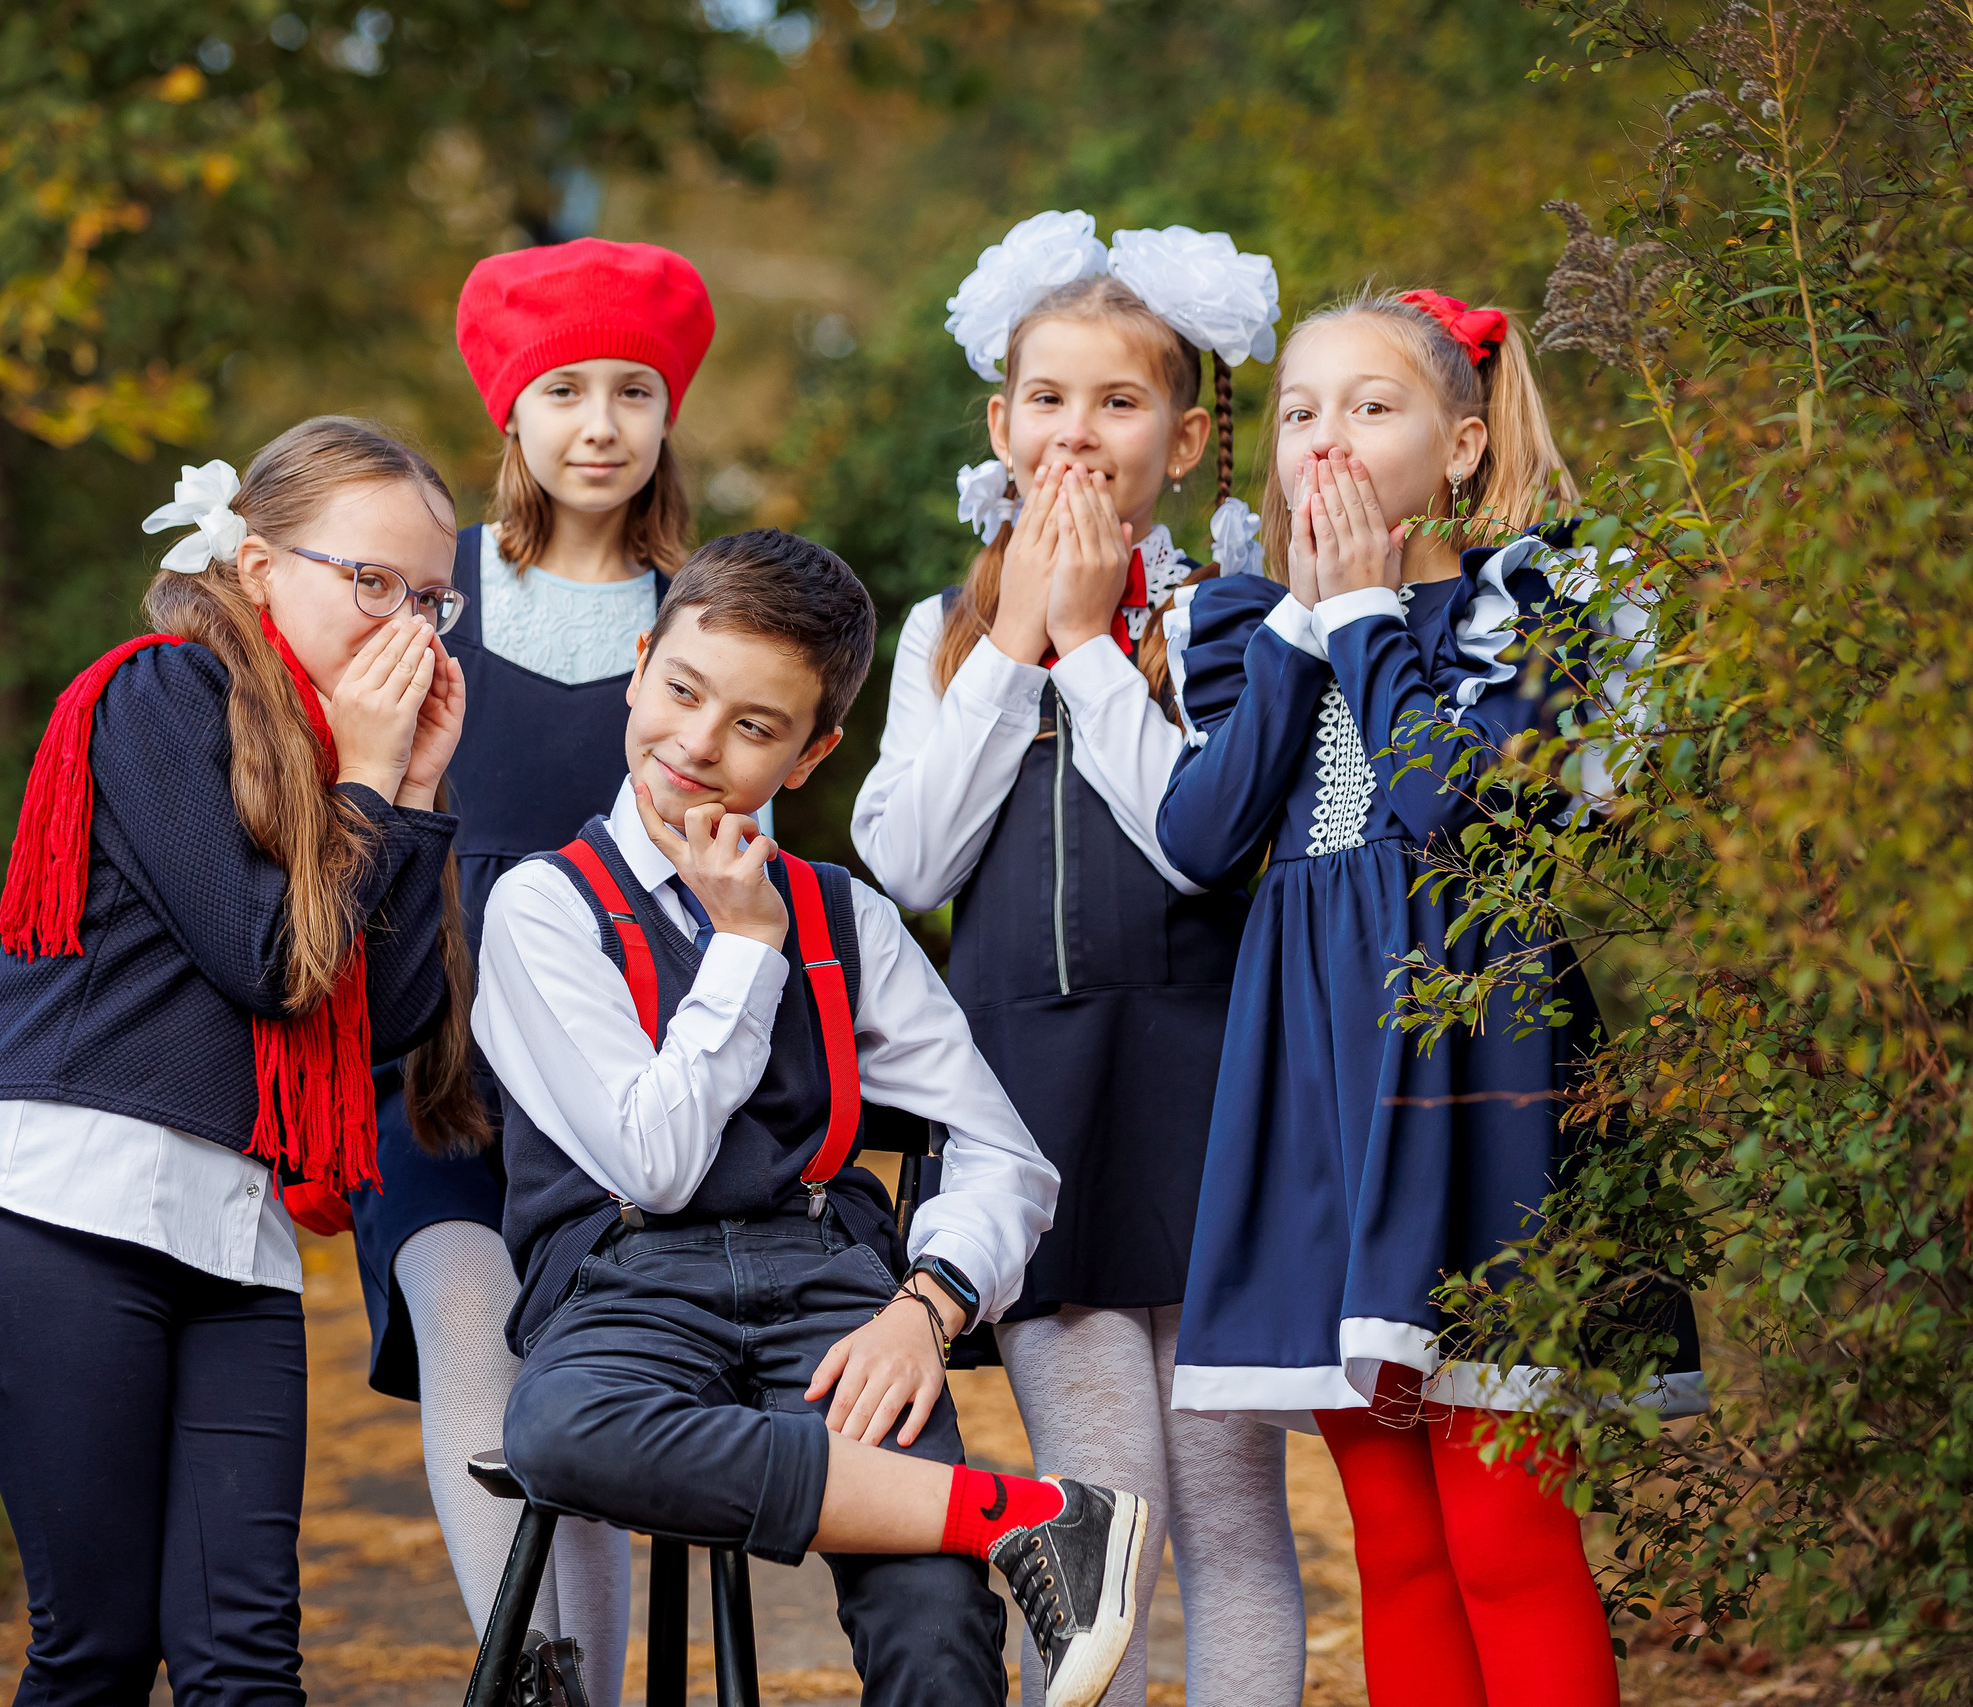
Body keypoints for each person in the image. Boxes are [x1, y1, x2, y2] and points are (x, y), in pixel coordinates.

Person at [477, 529, 1148, 1707]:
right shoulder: (544, 908)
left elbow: (1002, 1154)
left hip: (833, 1292)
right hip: (621, 1282)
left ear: (811, 754)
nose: (698, 743)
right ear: (637, 667)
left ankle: (965, 1529)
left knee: (935, 1617)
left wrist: (927, 1306)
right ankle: (1018, 1512)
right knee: (563, 1432)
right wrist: (744, 950)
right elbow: (655, 1163)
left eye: (754, 725)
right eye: (682, 691)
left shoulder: (848, 919)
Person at [1156, 289, 1706, 1707]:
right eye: (1299, 412)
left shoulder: (1528, 606)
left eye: (1369, 405)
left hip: (1477, 1086)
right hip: (1320, 1093)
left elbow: (1450, 812)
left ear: (1460, 448)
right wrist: (1305, 624)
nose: (1324, 438)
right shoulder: (1248, 627)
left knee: (1505, 1537)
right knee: (1396, 1546)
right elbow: (1202, 841)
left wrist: (1364, 613)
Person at [0, 416, 471, 1707]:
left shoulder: (341, 768)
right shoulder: (161, 694)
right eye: (372, 581)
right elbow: (266, 959)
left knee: (245, 1659)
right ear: (258, 567)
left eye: (430, 598)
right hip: (65, 1206)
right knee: (100, 1649)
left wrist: (413, 797)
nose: (405, 624)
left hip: (233, 1239)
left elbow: (384, 1019)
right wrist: (368, 783)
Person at [852, 210, 1306, 1706]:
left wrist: (1097, 638)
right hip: (1033, 1111)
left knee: (1230, 1515)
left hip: (1209, 1097)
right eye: (1048, 398)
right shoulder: (943, 631)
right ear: (1001, 426)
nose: (1078, 431)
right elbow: (908, 863)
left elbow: (1199, 845)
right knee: (1101, 1521)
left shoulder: (1227, 622)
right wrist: (1016, 647)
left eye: (1119, 401)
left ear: (1182, 440)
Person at [314, 238, 713, 1705]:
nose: (599, 423)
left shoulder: (699, 612)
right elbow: (346, 801)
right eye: (564, 390)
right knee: (468, 1318)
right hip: (430, 1042)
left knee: (584, 1379)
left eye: (632, 391)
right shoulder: (432, 597)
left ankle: (584, 1688)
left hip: (617, 1060)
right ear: (511, 411)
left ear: (668, 414)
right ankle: (531, 1672)